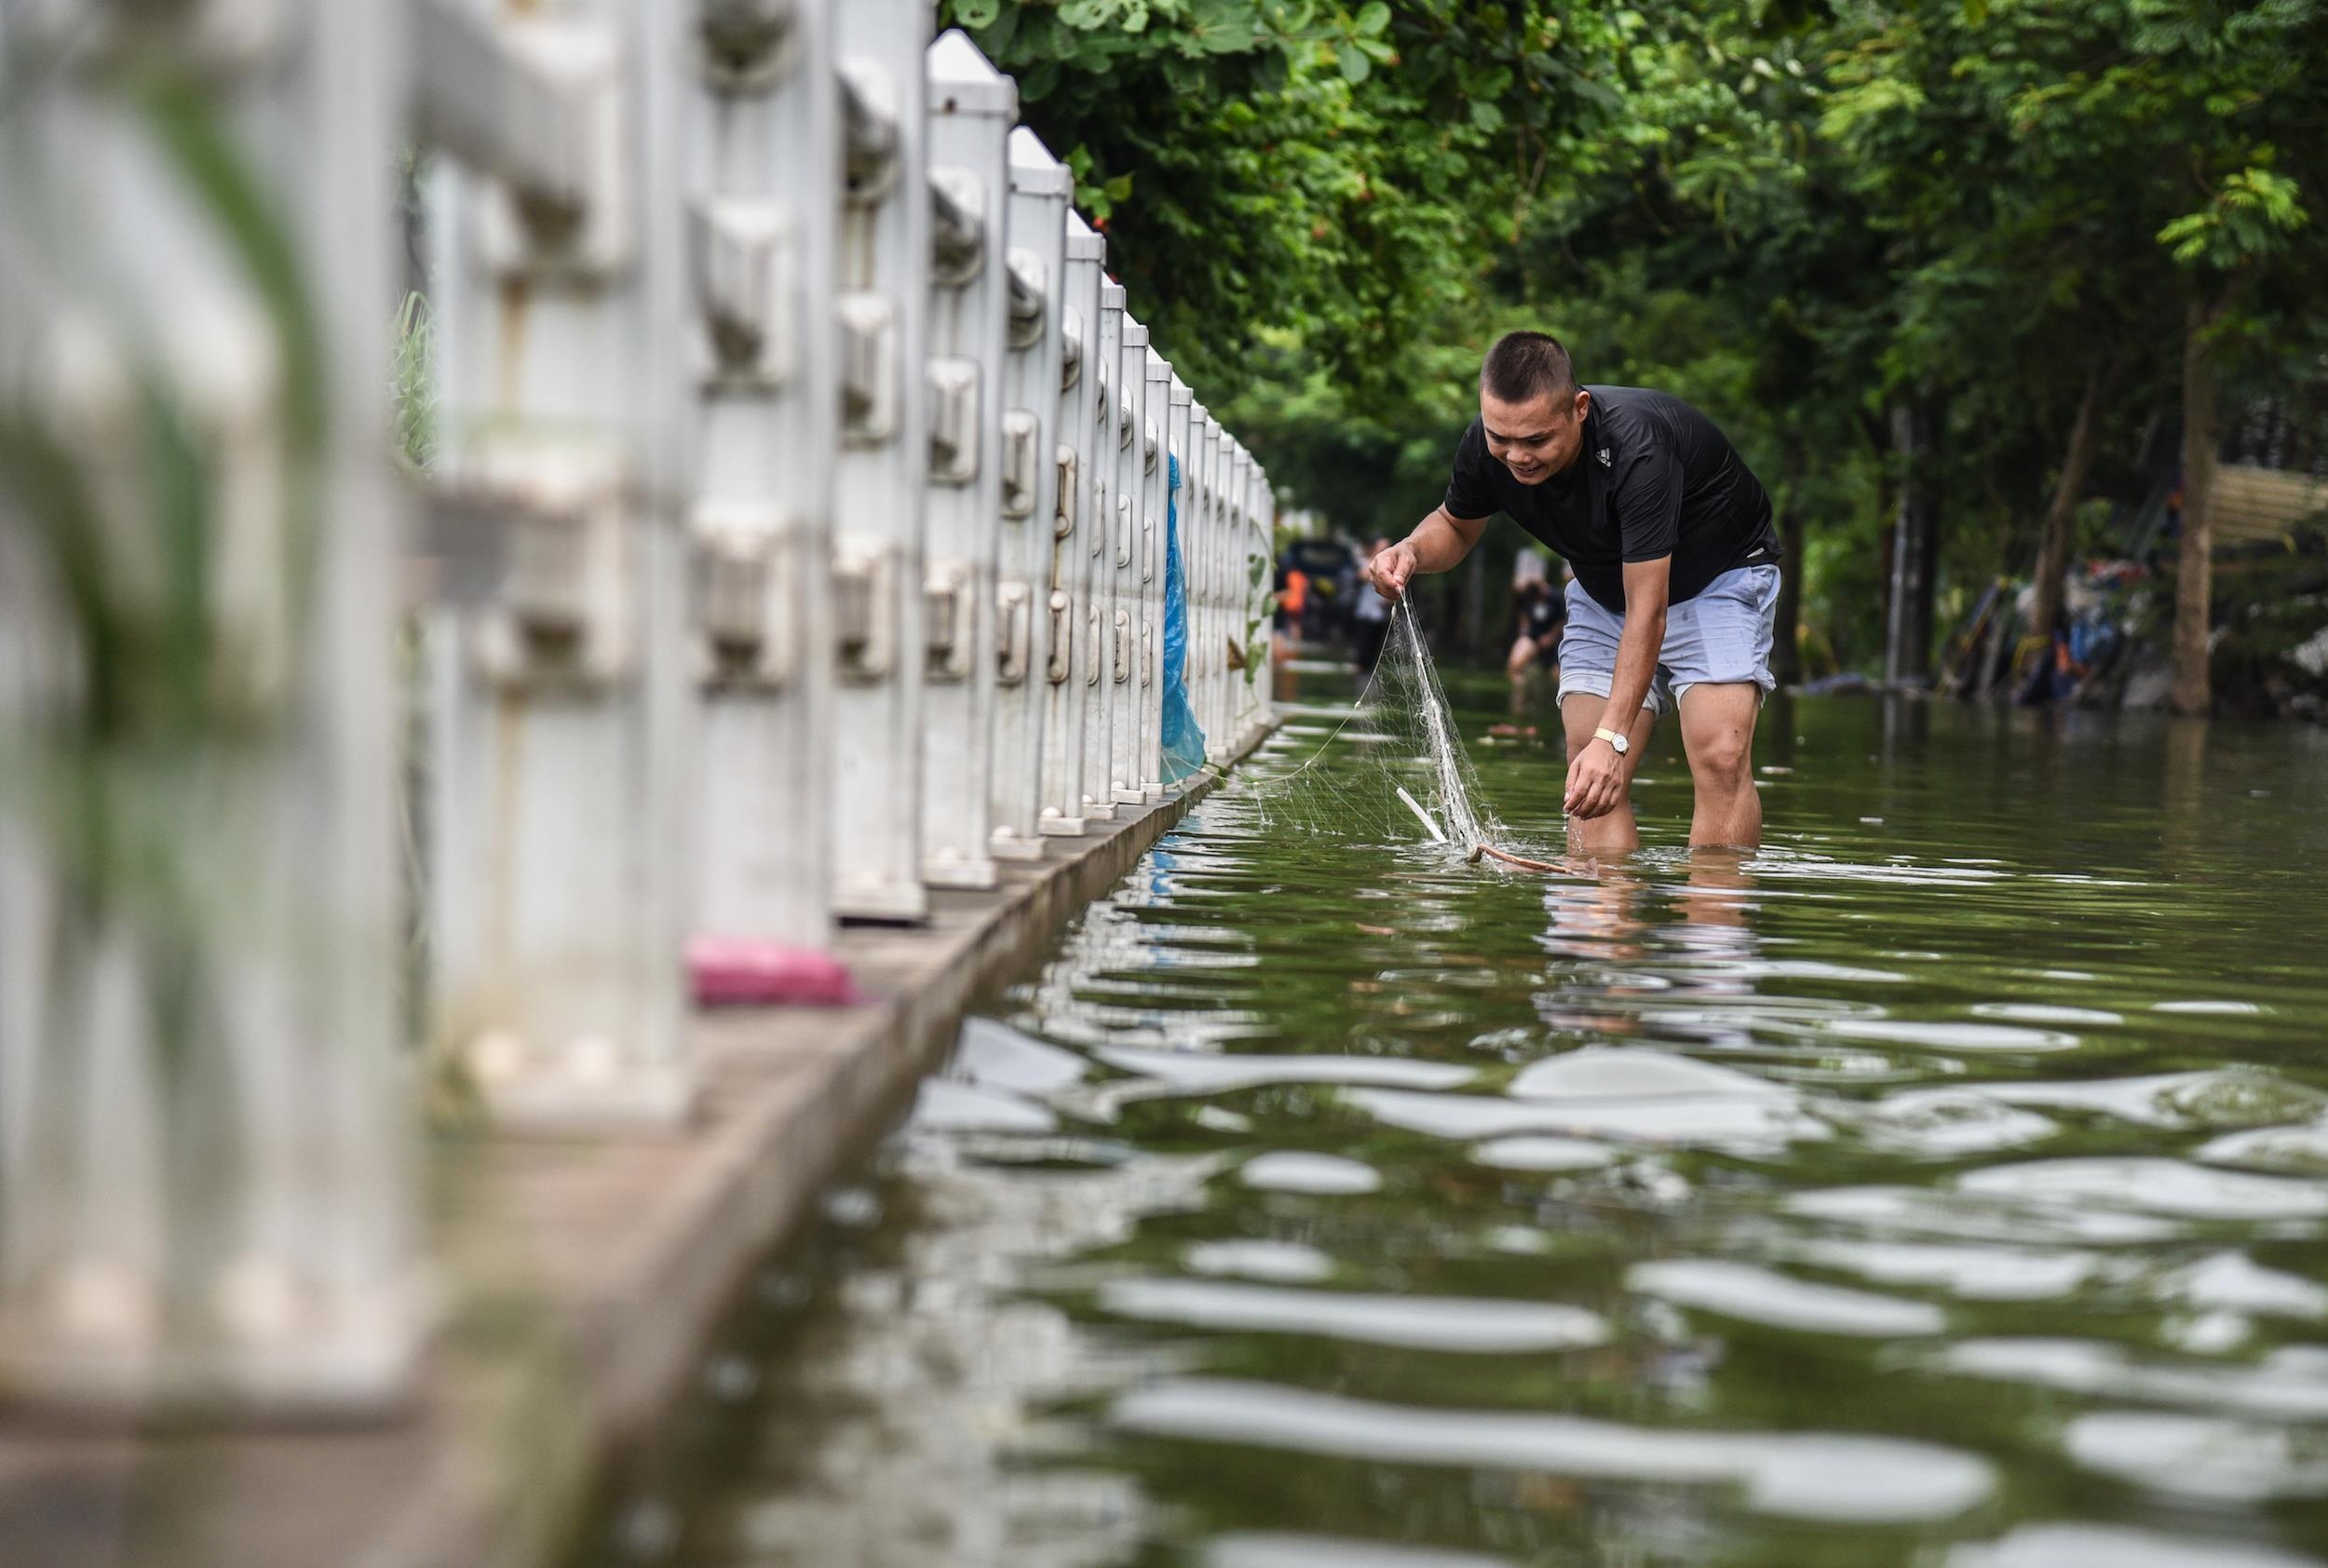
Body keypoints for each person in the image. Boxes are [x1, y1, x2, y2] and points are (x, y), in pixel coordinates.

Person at [1365, 331, 1781, 851]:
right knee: (1588, 765)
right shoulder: (1486, 444)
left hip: (1716, 578)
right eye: (1501, 438)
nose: (1517, 457)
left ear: (1579, 408)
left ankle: (1715, 922)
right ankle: (1602, 921)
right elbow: (1455, 526)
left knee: (1719, 753)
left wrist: (1616, 737)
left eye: (1537, 440)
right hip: (1605, 589)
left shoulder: (1637, 450)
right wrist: (1411, 551)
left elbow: (1648, 612)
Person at [1506, 575, 1564, 684]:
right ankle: (1520, 695)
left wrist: (1550, 637)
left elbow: (1562, 621)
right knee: (1515, 666)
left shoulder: (1556, 597)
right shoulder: (1527, 597)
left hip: (1555, 639)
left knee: (1558, 673)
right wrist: (1524, 631)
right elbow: (1524, 615)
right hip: (1534, 636)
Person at [1350, 536, 1394, 670]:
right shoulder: (1367, 563)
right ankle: (1360, 669)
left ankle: (1370, 671)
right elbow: (1361, 576)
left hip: (1380, 613)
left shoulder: (1391, 568)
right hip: (1365, 611)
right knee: (1363, 644)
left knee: (1376, 646)